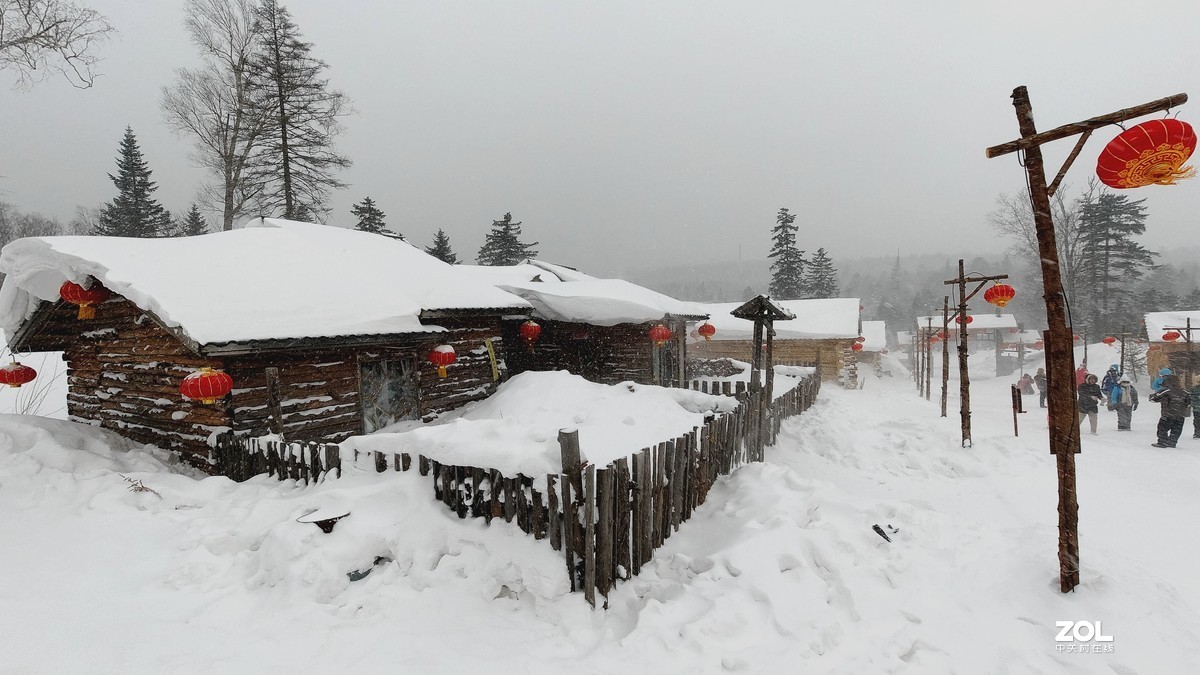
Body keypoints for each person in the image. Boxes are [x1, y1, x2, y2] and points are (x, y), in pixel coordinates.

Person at [1149, 374, 1192, 448]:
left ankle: (1162, 442)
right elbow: (1188, 402)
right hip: (1180, 415)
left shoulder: (1166, 390)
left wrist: (1152, 396)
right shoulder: (1185, 392)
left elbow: (1154, 398)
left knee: (1162, 428)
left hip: (1168, 415)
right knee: (1176, 430)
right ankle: (1172, 442)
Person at [1190, 374, 1200, 440]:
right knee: (1197, 421)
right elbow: (1189, 397)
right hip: (1197, 408)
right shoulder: (1194, 389)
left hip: (1196, 407)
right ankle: (1197, 433)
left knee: (1197, 421)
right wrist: (1196, 397)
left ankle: (1197, 433)